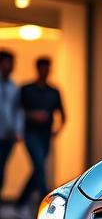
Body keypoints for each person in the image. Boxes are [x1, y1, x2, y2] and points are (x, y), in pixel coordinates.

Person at [17, 57, 64, 209]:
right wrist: (32, 115)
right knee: (40, 166)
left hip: (45, 135)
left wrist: (56, 131)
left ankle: (20, 204)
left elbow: (63, 115)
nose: (45, 71)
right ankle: (45, 203)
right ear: (37, 69)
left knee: (39, 168)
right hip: (30, 133)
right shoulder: (26, 89)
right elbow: (16, 111)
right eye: (43, 68)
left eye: (47, 68)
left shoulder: (54, 91)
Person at [0, 50, 23, 210]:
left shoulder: (14, 87)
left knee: (1, 170)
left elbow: (17, 111)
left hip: (6, 137)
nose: (10, 66)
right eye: (7, 62)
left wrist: (17, 130)